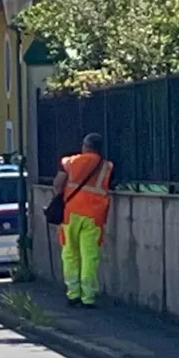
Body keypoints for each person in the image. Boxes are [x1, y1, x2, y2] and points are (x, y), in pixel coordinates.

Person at [52, 132, 116, 308]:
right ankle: (88, 297)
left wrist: (60, 197)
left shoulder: (72, 162)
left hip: (71, 213)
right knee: (90, 256)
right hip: (94, 216)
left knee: (70, 253)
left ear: (85, 146)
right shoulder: (106, 166)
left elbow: (58, 183)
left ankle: (73, 294)